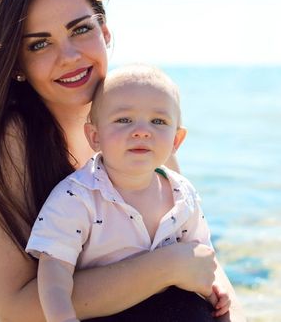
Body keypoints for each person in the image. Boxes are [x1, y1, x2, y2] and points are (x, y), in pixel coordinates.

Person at [0, 0, 245, 321]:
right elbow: (14, 309)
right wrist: (166, 268)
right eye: (39, 44)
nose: (68, 56)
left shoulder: (134, 119)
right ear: (16, 63)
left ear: (106, 33)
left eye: (80, 30)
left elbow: (198, 253)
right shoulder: (14, 140)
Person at [26, 64, 230, 322]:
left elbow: (199, 256)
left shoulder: (182, 195)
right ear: (94, 136)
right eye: (124, 120)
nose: (142, 131)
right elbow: (54, 271)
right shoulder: (76, 197)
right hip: (106, 312)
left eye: (158, 121)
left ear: (176, 141)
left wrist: (215, 292)